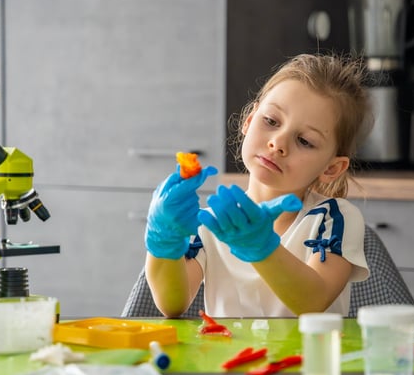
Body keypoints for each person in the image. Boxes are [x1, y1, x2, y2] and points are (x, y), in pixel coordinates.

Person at [144, 53, 374, 317]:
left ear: (332, 168)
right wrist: (163, 239)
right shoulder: (213, 221)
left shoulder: (334, 219)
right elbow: (173, 304)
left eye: (305, 141)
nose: (278, 143)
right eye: (271, 121)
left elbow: (314, 301)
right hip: (222, 358)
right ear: (249, 120)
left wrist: (261, 247)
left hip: (309, 358)